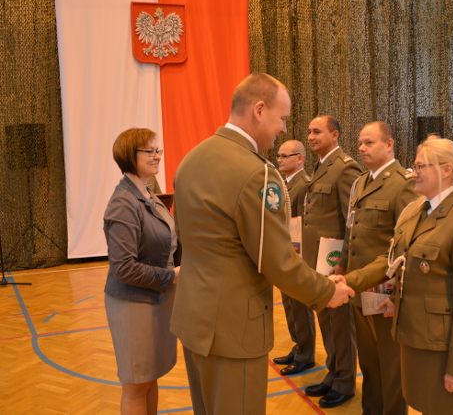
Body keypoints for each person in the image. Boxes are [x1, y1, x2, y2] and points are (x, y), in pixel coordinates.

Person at [170, 73, 354, 415]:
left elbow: (182, 236)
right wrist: (327, 291)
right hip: (234, 328)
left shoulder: (191, 159)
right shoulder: (258, 173)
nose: (283, 128)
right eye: (281, 118)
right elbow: (278, 262)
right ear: (259, 110)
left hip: (193, 319)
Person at [337, 138, 453, 415]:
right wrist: (349, 282)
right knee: (422, 404)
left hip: (442, 349)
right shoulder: (416, 211)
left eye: (421, 167)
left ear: (447, 170)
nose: (414, 173)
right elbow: (393, 262)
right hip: (413, 338)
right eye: (414, 166)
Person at [339, 121, 416, 415]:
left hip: (384, 291)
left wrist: (398, 296)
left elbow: (405, 247)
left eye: (369, 142)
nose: (361, 148)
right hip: (359, 289)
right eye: (360, 142)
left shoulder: (403, 183)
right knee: (369, 362)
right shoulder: (362, 182)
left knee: (392, 365)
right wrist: (342, 266)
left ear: (389, 145)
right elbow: (352, 230)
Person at [103, 128, 181, 415]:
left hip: (156, 300)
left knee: (150, 377)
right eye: (149, 151)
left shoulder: (147, 192)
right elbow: (123, 268)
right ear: (129, 155)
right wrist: (172, 276)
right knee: (136, 385)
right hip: (133, 305)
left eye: (157, 150)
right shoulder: (123, 202)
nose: (157, 155)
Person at [303, 115, 362, 408]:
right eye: (309, 132)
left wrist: (345, 261)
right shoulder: (321, 165)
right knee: (326, 319)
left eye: (317, 131)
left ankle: (345, 381)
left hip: (334, 260)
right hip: (317, 259)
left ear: (334, 135)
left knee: (340, 322)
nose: (311, 136)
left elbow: (352, 219)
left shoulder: (345, 167)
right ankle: (333, 372)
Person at [273, 140, 316, 376]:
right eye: (278, 156)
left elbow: (304, 223)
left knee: (300, 307)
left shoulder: (305, 185)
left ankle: (306, 355)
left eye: (284, 156)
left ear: (299, 158)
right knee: (289, 306)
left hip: (297, 254)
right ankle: (298, 345)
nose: (279, 160)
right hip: (285, 253)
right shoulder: (285, 183)